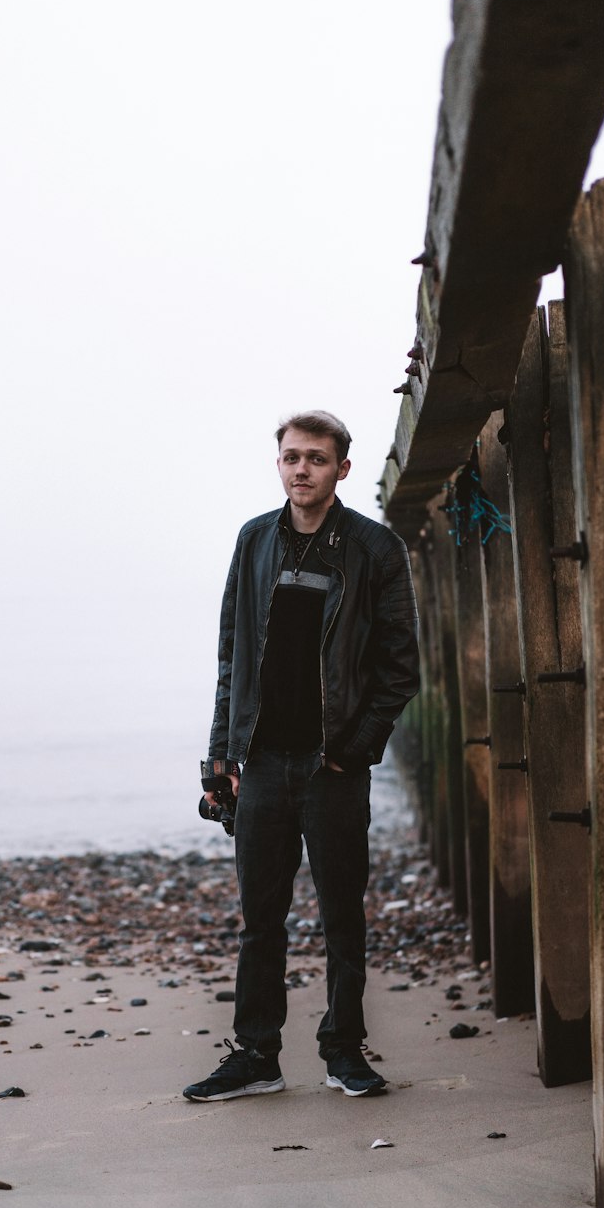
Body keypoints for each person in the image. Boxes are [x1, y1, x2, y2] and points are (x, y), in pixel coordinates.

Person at [183, 410, 420, 1102]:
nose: (301, 469)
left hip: (331, 766)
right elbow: (234, 657)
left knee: (343, 913)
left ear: (341, 468)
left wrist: (353, 750)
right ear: (278, 464)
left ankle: (344, 1050)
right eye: (291, 457)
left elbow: (400, 668)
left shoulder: (375, 549)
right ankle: (257, 1055)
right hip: (260, 763)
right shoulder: (254, 540)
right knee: (261, 918)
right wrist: (220, 757)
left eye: (316, 458)